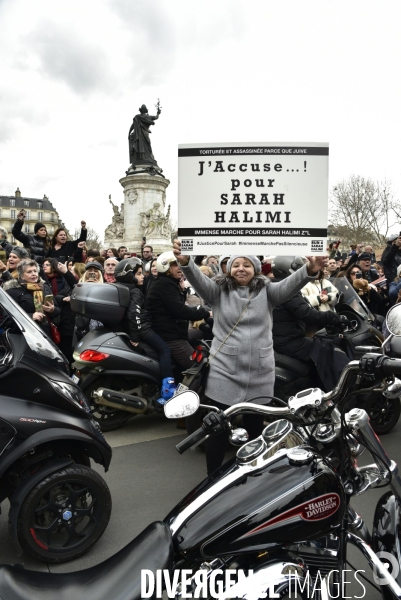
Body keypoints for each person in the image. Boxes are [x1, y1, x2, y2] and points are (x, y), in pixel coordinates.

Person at [172, 242, 326, 474]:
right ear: (228, 269)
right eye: (236, 264)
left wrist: (309, 270)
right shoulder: (217, 291)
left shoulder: (268, 291)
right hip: (224, 372)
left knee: (256, 431)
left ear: (256, 269)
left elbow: (290, 285)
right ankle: (212, 478)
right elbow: (197, 280)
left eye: (247, 264)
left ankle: (255, 473)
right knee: (218, 430)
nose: (241, 268)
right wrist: (185, 262)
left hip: (260, 372)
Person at [114, 258, 176, 404]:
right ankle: (168, 391)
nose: (143, 276)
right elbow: (134, 314)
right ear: (130, 276)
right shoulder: (135, 291)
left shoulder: (119, 287)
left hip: (129, 329)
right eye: (139, 274)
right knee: (165, 350)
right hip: (142, 329)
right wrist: (135, 337)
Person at [145, 251, 211, 371]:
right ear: (165, 267)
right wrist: (206, 312)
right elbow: (180, 311)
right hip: (171, 337)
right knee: (199, 368)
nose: (180, 268)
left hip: (173, 332)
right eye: (175, 264)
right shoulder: (165, 285)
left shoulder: (169, 283)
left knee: (199, 334)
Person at [3, 259, 60, 337]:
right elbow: (8, 318)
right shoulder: (13, 291)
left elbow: (58, 311)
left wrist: (52, 310)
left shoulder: (44, 287)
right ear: (21, 275)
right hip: (25, 336)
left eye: (35, 271)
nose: (33, 274)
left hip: (45, 334)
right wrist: (31, 316)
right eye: (29, 272)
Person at [42, 258, 76, 361]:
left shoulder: (63, 280)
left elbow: (73, 286)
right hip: (49, 318)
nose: (44, 266)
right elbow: (57, 297)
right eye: (43, 264)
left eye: (47, 264)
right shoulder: (41, 282)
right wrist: (61, 298)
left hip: (63, 319)